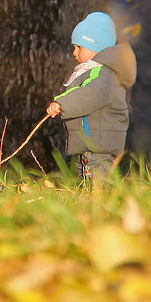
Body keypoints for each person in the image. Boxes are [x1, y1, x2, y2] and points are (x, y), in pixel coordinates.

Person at [46, 11, 137, 183]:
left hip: (99, 146)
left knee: (99, 180)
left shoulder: (103, 74)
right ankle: (90, 205)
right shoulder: (92, 72)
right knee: (87, 178)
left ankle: (101, 206)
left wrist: (62, 104)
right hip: (91, 145)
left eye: (79, 47)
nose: (74, 52)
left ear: (96, 46)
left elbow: (90, 95)